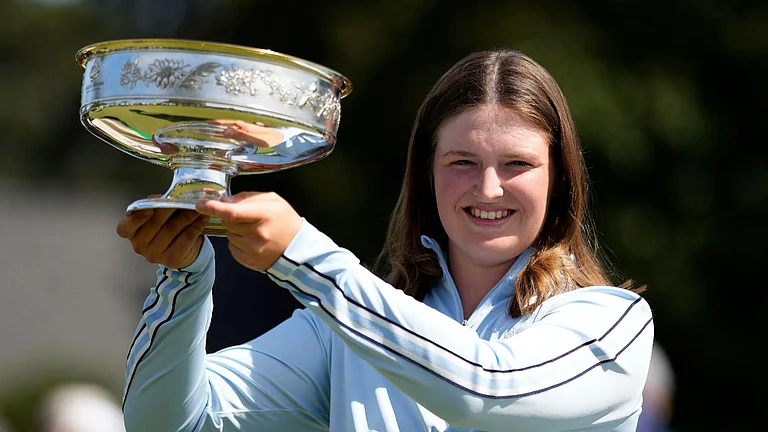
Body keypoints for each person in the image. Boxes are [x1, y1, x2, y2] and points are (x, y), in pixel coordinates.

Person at [116, 49, 655, 431]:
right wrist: (184, 279)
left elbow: (484, 389)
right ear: (427, 175)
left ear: (558, 178)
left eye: (518, 164)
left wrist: (304, 254)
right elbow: (171, 422)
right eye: (461, 162)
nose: (488, 188)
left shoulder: (611, 322)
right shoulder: (342, 330)